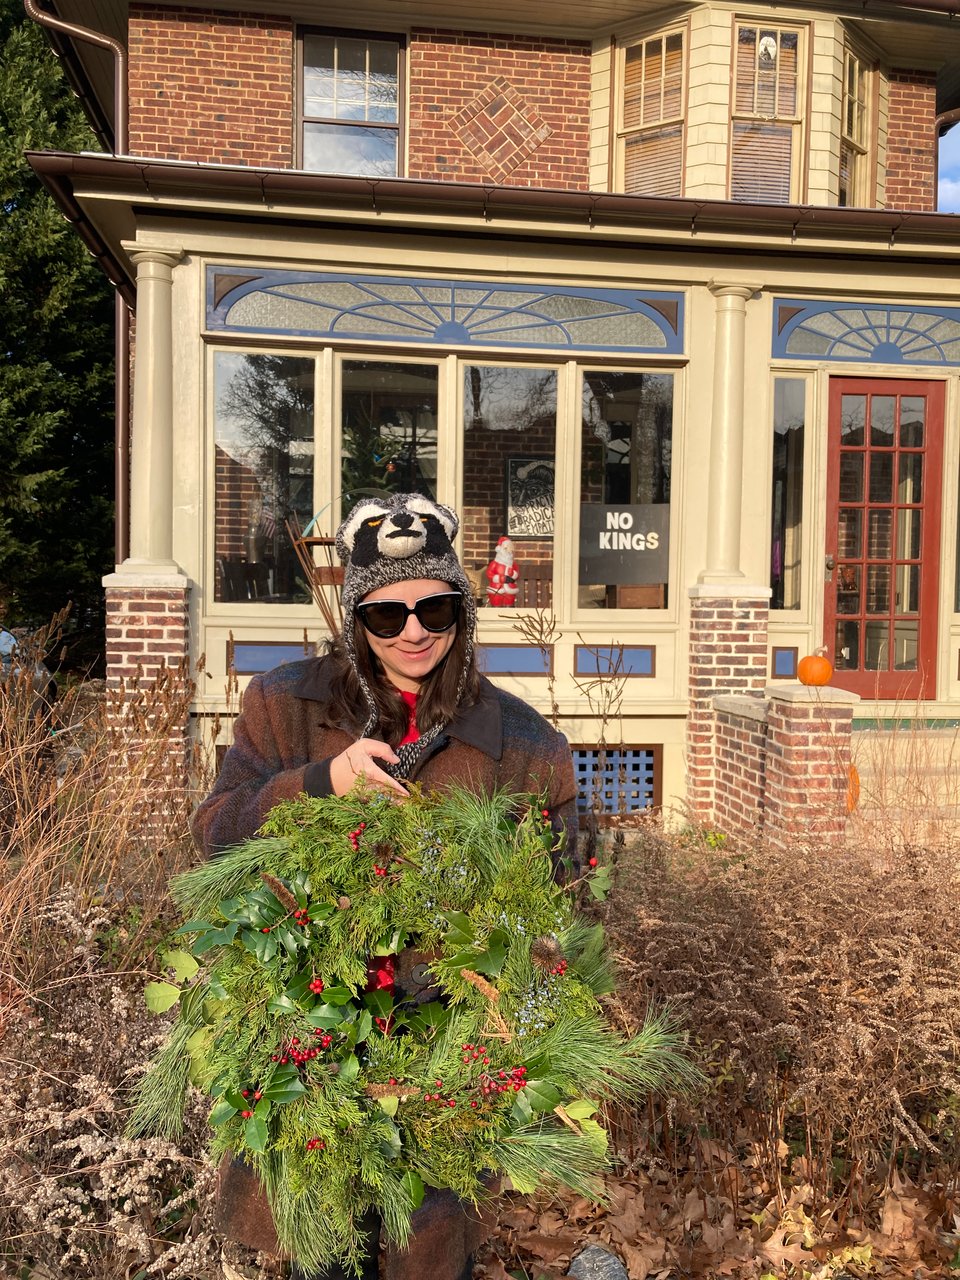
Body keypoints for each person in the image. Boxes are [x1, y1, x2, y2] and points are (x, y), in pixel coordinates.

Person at [192, 492, 577, 1280]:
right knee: (321, 1252)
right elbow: (213, 839)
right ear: (354, 617)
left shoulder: (524, 744)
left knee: (428, 1254)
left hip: (442, 1057)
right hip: (309, 1045)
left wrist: (501, 967)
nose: (412, 631)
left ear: (462, 613)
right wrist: (320, 784)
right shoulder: (284, 708)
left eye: (435, 609)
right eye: (385, 614)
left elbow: (574, 893)